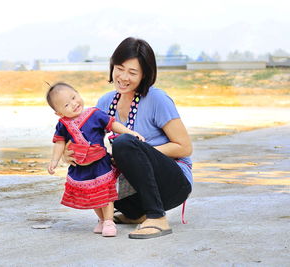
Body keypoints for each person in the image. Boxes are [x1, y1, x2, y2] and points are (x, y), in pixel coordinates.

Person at [64, 37, 193, 239]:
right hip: (135, 186)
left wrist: (139, 153)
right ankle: (136, 214)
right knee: (94, 172)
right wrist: (69, 154)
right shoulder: (106, 102)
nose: (123, 77)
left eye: (132, 72)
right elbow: (86, 141)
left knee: (124, 143)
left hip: (172, 183)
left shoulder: (157, 99)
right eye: (119, 68)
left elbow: (184, 147)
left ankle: (157, 217)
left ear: (144, 75)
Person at [46, 82, 145, 237]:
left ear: (78, 93)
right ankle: (101, 220)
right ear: (58, 113)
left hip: (100, 164)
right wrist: (54, 161)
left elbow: (113, 125)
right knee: (92, 196)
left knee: (106, 193)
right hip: (80, 168)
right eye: (66, 105)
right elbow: (59, 143)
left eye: (74, 97)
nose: (74, 104)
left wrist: (130, 133)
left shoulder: (95, 114)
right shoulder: (63, 125)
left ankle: (109, 221)